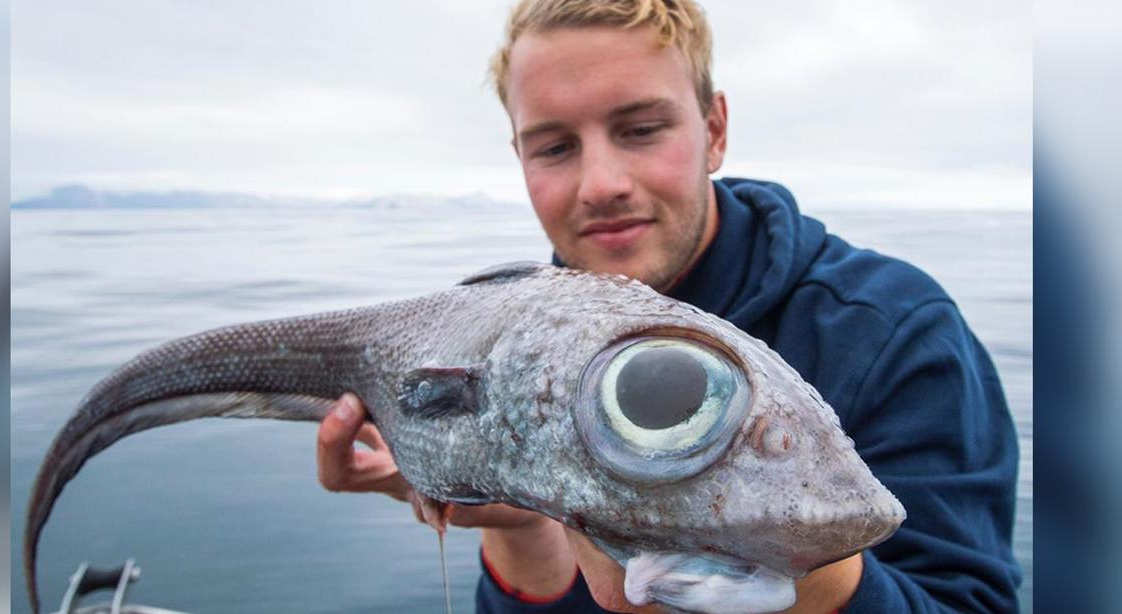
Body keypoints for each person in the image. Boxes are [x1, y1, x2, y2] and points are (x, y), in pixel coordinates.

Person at [317, 0, 1022, 611]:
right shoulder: (505, 353)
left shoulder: (893, 330)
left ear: (714, 130)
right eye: (556, 146)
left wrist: (790, 567)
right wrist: (523, 524)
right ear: (519, 158)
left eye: (641, 129)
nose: (600, 183)